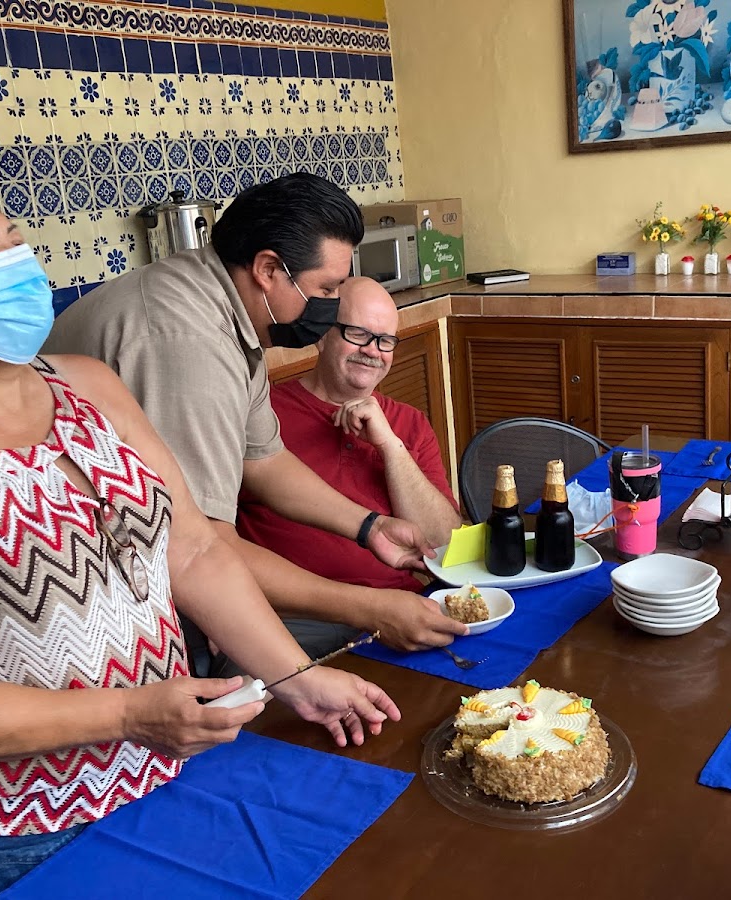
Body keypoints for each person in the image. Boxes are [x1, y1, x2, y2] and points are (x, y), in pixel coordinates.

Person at [0, 158, 399, 899]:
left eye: (14, 237)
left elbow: (193, 548)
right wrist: (129, 713)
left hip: (157, 770)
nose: (19, 261)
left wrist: (296, 679)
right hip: (13, 826)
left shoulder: (85, 386)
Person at [45, 174, 466, 665]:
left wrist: (369, 527)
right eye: (327, 288)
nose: (330, 305)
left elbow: (264, 460)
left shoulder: (224, 313)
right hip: (86, 589)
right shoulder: (186, 341)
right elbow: (198, 545)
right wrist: (369, 609)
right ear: (268, 269)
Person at [238, 276, 461, 591]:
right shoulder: (261, 415)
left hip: (402, 602)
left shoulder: (409, 423)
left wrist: (391, 447)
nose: (373, 350)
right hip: (299, 609)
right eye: (358, 334)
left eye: (385, 340)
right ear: (321, 336)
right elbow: (214, 539)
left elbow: (445, 546)